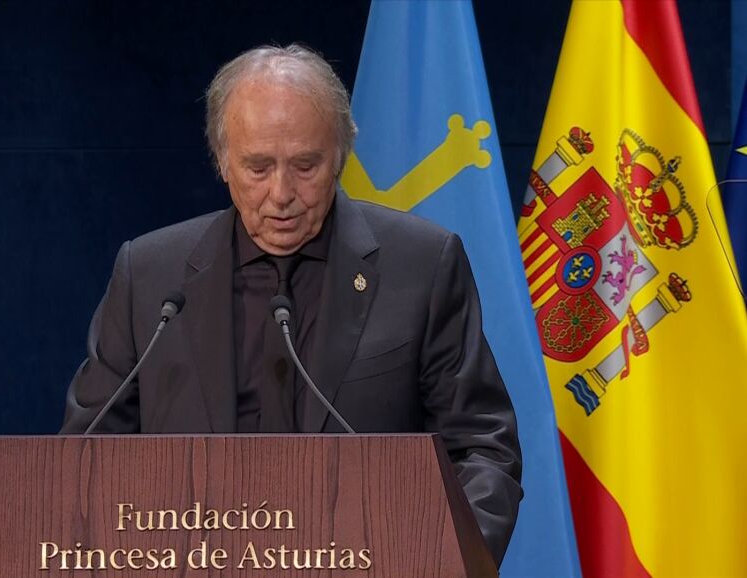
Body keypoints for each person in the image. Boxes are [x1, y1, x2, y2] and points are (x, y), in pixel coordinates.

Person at [61, 44, 522, 565]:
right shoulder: (150, 275)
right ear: (222, 161)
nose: (281, 193)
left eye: (305, 165)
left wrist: (444, 563)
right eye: (258, 167)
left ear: (340, 155)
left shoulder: (421, 265)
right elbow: (85, 459)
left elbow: (482, 448)